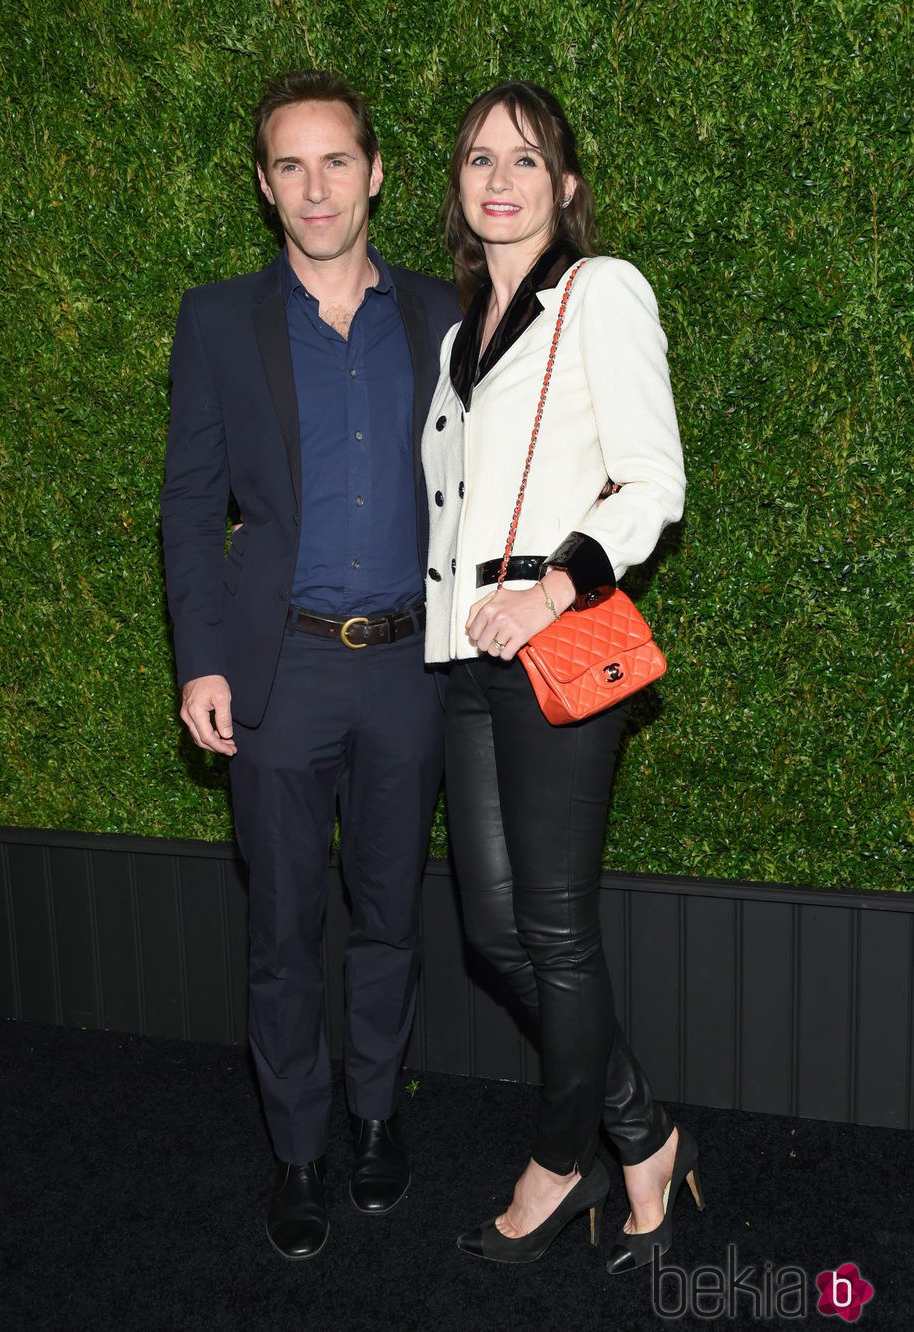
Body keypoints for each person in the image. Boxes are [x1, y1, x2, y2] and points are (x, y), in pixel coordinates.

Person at [160, 69, 459, 1261]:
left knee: (388, 918)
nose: (315, 187)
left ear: (375, 172)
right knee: (283, 931)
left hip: (409, 674)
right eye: (290, 164)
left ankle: (376, 1122)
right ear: (265, 182)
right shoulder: (218, 319)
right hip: (276, 676)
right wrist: (198, 660)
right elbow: (189, 506)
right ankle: (296, 1150)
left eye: (336, 160)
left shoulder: (445, 316)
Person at [423, 81, 701, 1269]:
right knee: (493, 932)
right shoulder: (452, 336)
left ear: (565, 186)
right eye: (481, 158)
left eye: (526, 161)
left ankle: (561, 1159)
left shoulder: (600, 292)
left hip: (550, 641)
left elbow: (652, 481)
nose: (500, 179)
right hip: (458, 654)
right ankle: (639, 1129)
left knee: (553, 928)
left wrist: (552, 583)